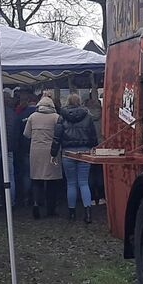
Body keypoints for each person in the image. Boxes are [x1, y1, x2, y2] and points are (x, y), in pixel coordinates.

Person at [52, 94, 99, 223]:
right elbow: (93, 135)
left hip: (67, 153)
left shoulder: (62, 117)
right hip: (84, 151)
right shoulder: (88, 116)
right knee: (84, 182)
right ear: (80, 102)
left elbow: (57, 137)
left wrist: (53, 153)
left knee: (71, 183)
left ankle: (72, 213)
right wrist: (94, 147)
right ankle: (88, 213)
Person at [24, 96, 62, 219]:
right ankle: (50, 209)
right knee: (52, 181)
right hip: (52, 152)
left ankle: (36, 204)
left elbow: (27, 134)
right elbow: (60, 134)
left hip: (36, 151)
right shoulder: (56, 117)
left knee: (36, 179)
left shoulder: (32, 117)